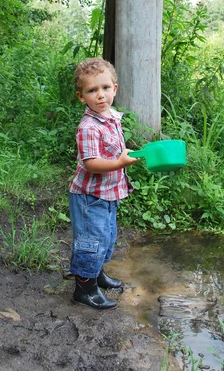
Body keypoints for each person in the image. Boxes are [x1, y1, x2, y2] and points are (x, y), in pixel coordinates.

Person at [68, 56, 139, 310]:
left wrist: (126, 155)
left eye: (105, 88)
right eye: (92, 90)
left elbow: (112, 151)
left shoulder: (112, 117)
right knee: (91, 241)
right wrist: (120, 163)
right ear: (81, 97)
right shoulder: (88, 126)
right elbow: (91, 163)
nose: (100, 95)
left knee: (106, 236)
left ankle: (96, 274)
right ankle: (84, 290)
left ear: (115, 89)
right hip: (89, 197)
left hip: (108, 194)